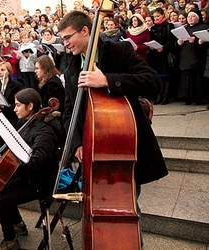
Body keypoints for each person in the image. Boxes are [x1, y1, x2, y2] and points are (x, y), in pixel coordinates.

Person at [57, 11, 168, 246]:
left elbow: (153, 82)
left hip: (124, 146)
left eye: (68, 37)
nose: (65, 43)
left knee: (126, 208)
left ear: (85, 31)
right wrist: (76, 142)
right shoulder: (70, 69)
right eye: (63, 39)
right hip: (92, 148)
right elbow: (69, 113)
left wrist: (107, 80)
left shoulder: (119, 51)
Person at [0, 88, 61, 250]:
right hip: (29, 176)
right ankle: (18, 224)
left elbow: (37, 163)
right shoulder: (29, 123)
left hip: (41, 182)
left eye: (18, 105)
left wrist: (15, 165)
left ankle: (10, 240)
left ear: (30, 106)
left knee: (0, 200)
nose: (14, 109)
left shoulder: (44, 130)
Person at [148, 8, 176, 105]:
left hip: (165, 54)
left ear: (163, 15)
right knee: (158, 75)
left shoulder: (169, 26)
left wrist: (163, 47)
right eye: (154, 17)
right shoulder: (153, 28)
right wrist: (151, 46)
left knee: (166, 75)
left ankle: (166, 96)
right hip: (156, 55)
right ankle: (159, 95)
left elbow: (171, 40)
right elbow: (151, 39)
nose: (156, 18)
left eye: (158, 16)